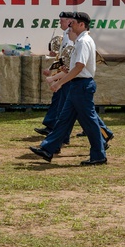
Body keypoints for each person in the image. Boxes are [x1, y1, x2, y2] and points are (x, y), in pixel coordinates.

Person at [30, 12, 107, 165]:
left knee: (89, 122)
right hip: (78, 85)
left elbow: (79, 66)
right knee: (64, 119)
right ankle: (48, 148)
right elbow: (75, 67)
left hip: (81, 85)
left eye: (74, 23)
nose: (70, 25)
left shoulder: (83, 41)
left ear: (82, 25)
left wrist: (59, 83)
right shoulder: (80, 41)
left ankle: (99, 154)